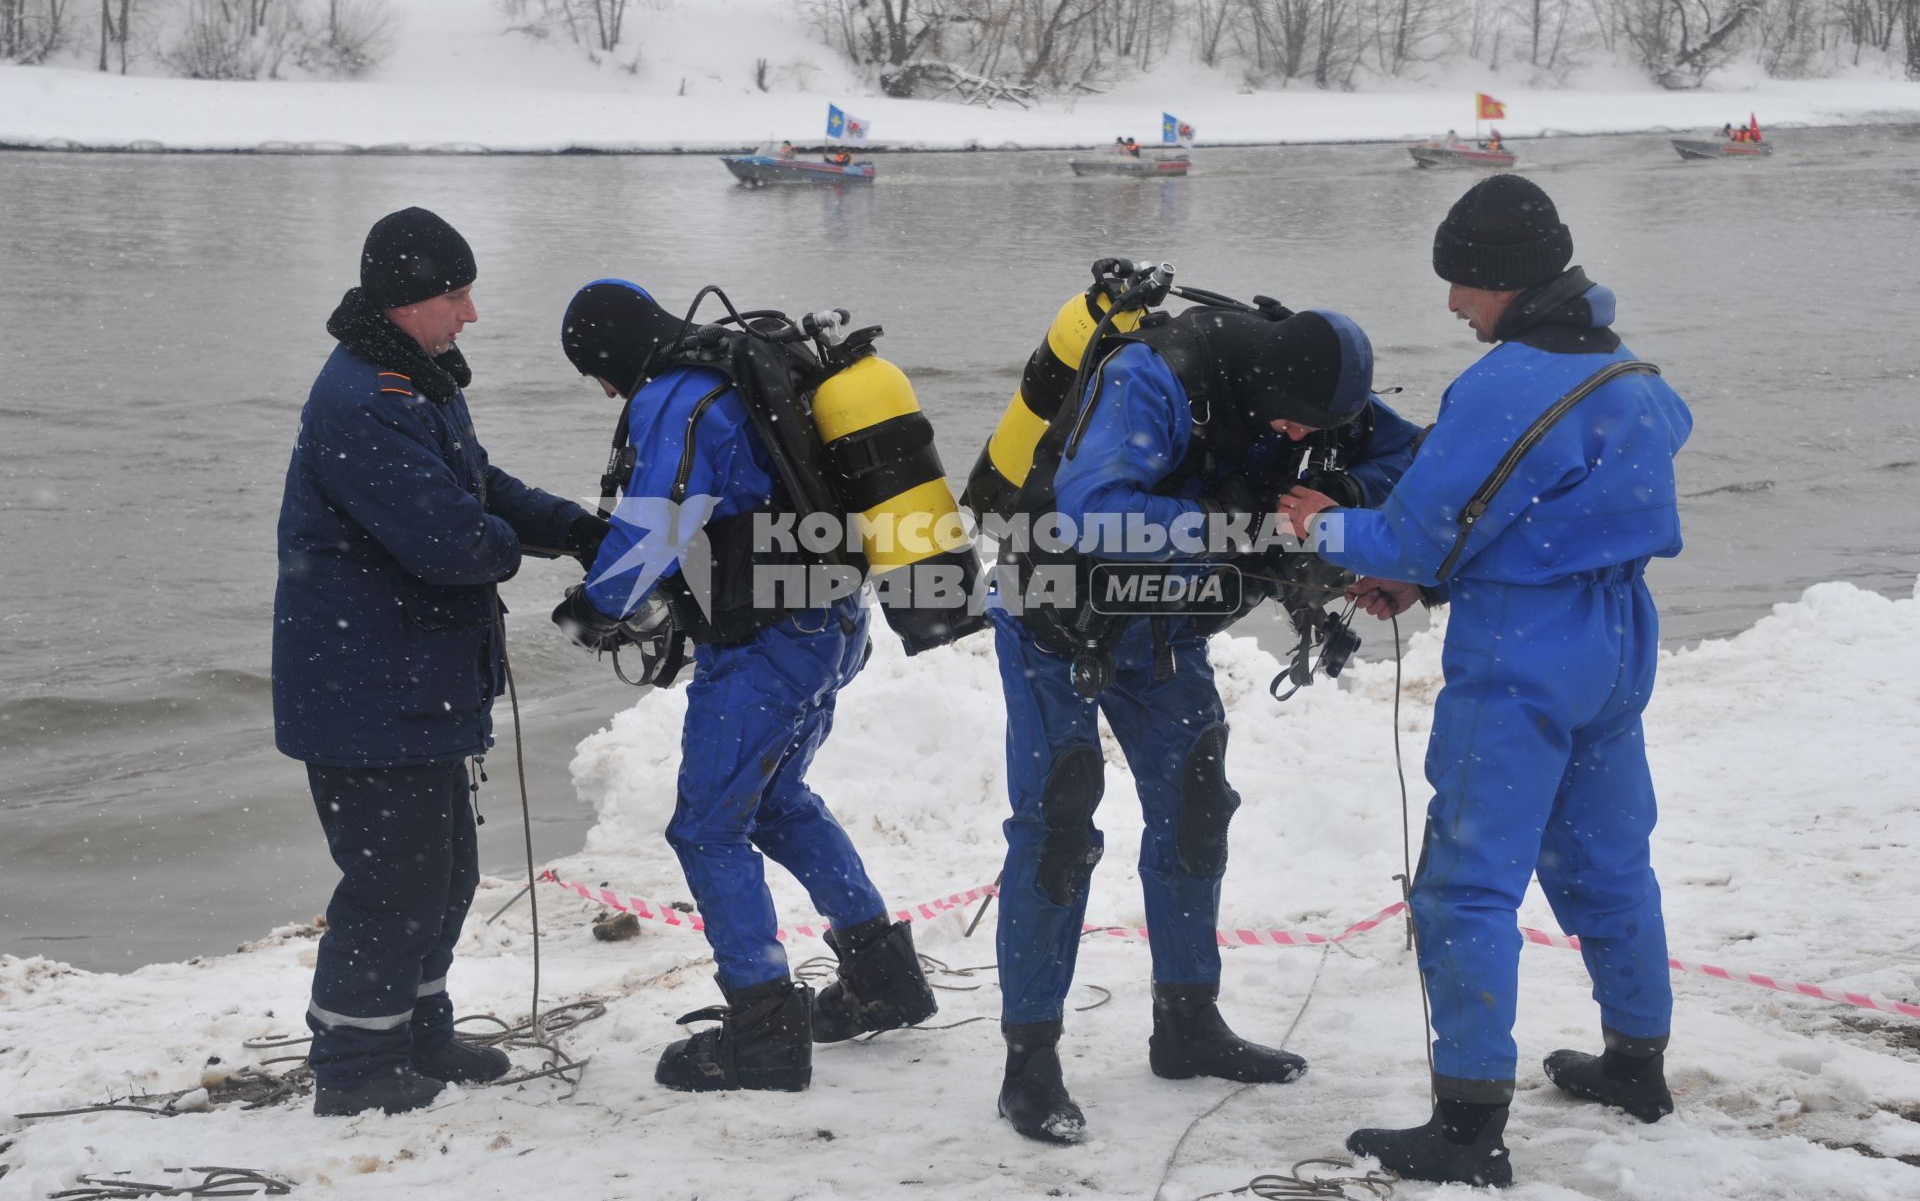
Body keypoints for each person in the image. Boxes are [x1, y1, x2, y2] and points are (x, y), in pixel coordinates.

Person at [1275, 174, 1693, 1187]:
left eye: (1463, 283)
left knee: (1465, 883)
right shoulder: (1632, 375)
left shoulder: (1507, 381)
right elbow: (1551, 510)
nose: (1455, 303)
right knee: (1609, 855)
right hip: (1617, 633)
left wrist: (1319, 524)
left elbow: (1418, 527)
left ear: (1504, 280)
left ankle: (1467, 1129)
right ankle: (1637, 1062)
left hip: (1523, 652)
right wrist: (1437, 574)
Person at [986, 286, 1421, 1144]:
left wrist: (1338, 485)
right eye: (1294, 426)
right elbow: (1091, 512)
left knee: (1195, 809)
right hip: (1053, 615)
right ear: (1268, 389)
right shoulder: (1158, 377)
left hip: (1164, 628)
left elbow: (1417, 456)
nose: (1299, 437)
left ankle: (1187, 1024)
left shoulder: (1309, 391)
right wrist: (1239, 522)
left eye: (1314, 428)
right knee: (1060, 823)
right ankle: (1028, 1060)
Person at [550, 279, 940, 1095]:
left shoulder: (681, 395)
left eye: (600, 376)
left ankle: (763, 1028)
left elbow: (653, 524)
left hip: (768, 638)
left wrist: (595, 609)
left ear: (611, 357)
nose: (609, 393)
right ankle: (884, 979)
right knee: (778, 801)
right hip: (832, 619)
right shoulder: (749, 365)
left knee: (706, 830)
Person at [274, 207, 608, 1117]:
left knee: (446, 869)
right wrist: (516, 545)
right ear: (407, 299)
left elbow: (481, 486)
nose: (470, 313)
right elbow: (455, 541)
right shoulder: (362, 401)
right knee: (394, 879)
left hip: (410, 683)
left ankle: (417, 1028)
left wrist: (572, 526)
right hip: (364, 691)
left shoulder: (417, 382)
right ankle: (354, 1065)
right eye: (455, 295)